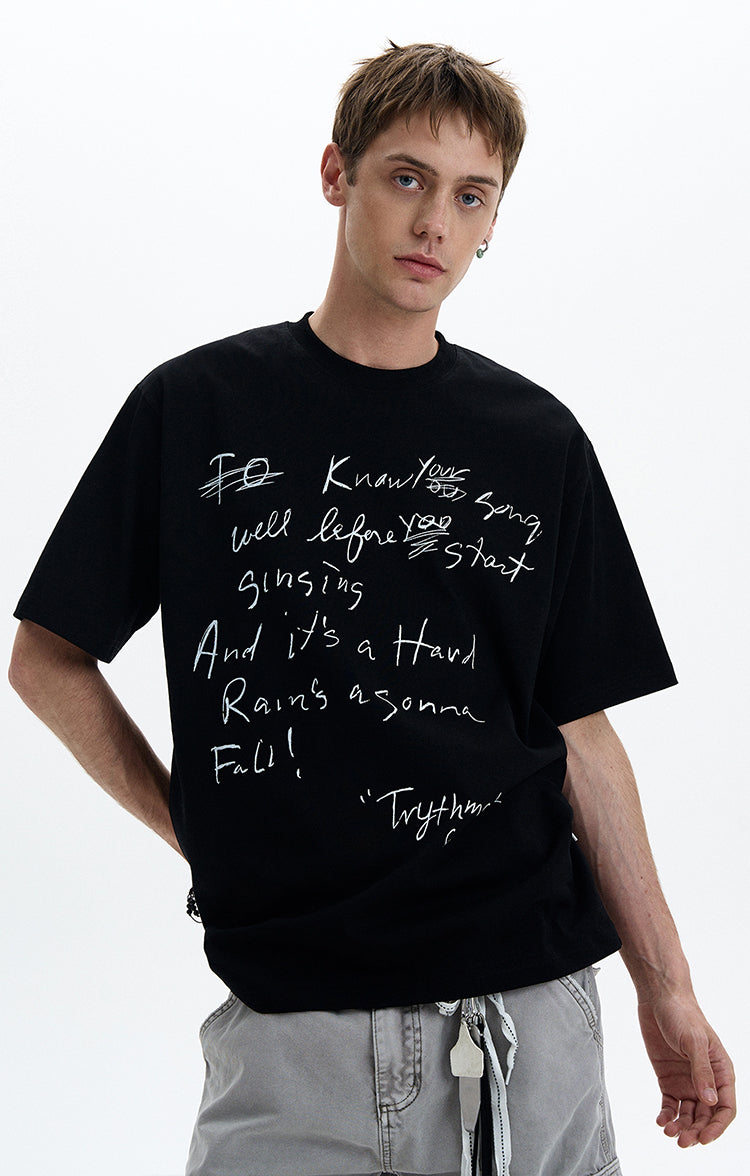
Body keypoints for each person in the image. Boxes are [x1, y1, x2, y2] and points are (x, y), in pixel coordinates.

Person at [8, 40, 735, 1176]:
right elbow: (47, 658)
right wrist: (193, 822)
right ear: (335, 174)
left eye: (471, 196)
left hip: (524, 1020)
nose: (435, 222)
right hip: (289, 1035)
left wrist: (670, 992)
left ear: (492, 221)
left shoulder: (535, 441)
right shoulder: (194, 410)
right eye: (406, 178)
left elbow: (584, 735)